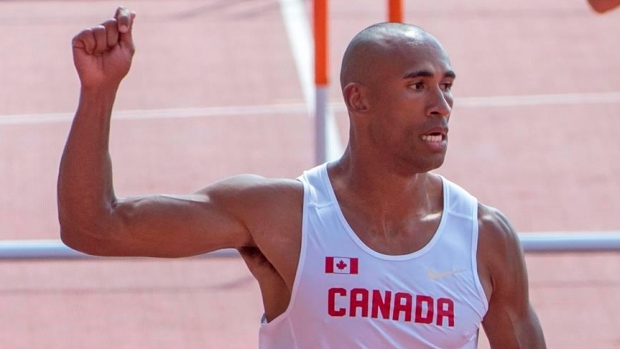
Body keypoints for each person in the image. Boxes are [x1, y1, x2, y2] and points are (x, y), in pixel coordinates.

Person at [58, 7, 546, 349]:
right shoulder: (283, 216)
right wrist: (98, 91)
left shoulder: (485, 237)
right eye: (417, 86)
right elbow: (93, 226)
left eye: (446, 86)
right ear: (358, 99)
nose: (441, 104)